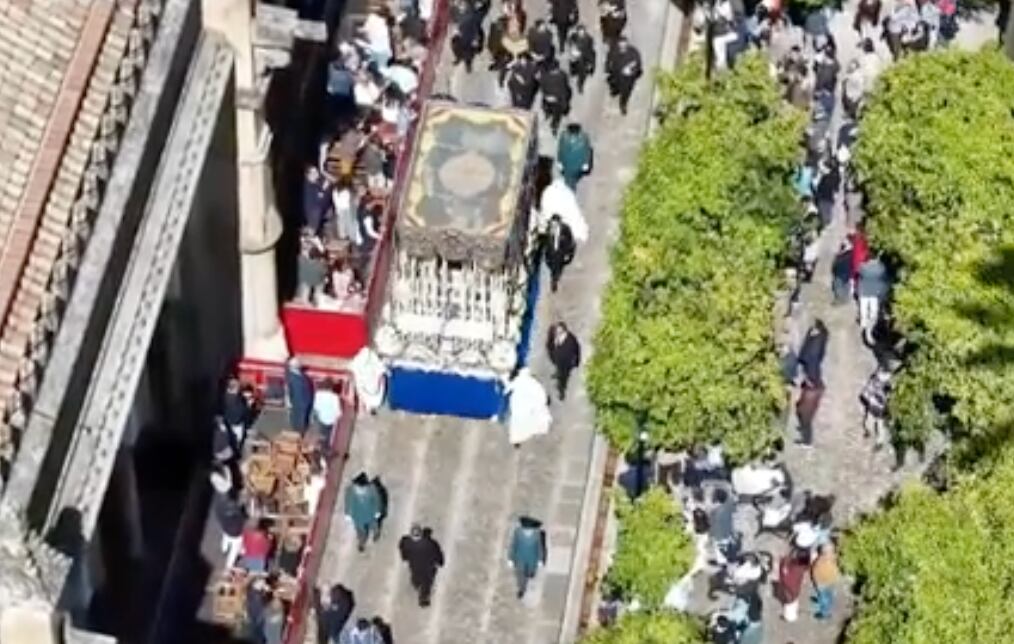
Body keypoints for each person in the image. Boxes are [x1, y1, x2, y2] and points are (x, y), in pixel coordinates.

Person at [504, 367, 552, 448]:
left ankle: (517, 439)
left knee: (518, 421)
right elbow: (538, 391)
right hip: (529, 405)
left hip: (520, 405)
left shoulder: (519, 383)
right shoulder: (529, 381)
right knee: (531, 419)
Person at [398, 525, 445, 607]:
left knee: (417, 581)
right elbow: (439, 555)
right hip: (427, 569)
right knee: (426, 582)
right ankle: (423, 595)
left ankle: (421, 591)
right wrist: (440, 562)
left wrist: (405, 556)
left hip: (415, 569)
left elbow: (404, 554)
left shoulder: (407, 542)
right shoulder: (431, 543)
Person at [507, 516, 547, 598]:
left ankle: (530, 574)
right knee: (520, 575)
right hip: (520, 557)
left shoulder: (537, 534)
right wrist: (510, 558)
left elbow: (539, 547)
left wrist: (540, 559)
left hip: (532, 558)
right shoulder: (517, 532)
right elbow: (513, 545)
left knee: (530, 572)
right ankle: (521, 589)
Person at [345, 472, 384, 552]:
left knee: (373, 525)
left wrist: (377, 510)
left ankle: (375, 534)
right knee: (360, 531)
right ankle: (361, 542)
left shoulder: (371, 489)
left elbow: (377, 500)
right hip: (359, 515)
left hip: (369, 513)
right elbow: (348, 501)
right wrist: (347, 513)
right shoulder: (351, 490)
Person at [605, 36, 642, 115]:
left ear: (627, 44)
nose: (622, 46)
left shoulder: (633, 52)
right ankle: (615, 90)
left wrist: (632, 71)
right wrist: (608, 68)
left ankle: (623, 105)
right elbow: (609, 59)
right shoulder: (614, 51)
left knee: (625, 92)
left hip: (628, 78)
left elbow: (638, 63)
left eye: (624, 44)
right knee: (615, 85)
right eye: (621, 44)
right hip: (616, 75)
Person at [546, 322, 581, 401]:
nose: (557, 333)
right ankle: (558, 373)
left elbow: (577, 349)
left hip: (566, 364)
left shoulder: (571, 339)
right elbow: (550, 345)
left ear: (564, 331)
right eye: (557, 331)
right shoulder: (554, 336)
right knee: (558, 370)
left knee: (563, 378)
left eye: (560, 331)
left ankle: (562, 391)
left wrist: (577, 361)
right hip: (557, 360)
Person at [857, 255, 888, 343]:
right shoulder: (881, 268)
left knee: (863, 309)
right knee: (873, 311)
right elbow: (884, 279)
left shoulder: (863, 267)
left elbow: (858, 271)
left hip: (863, 291)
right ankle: (870, 325)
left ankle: (863, 324)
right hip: (875, 292)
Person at [543, 215, 576, 293]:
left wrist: (569, 255)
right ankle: (554, 280)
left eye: (555, 223)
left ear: (559, 222)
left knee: (558, 269)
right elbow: (546, 242)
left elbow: (571, 241)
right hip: (552, 253)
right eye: (552, 223)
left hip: (561, 253)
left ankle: (555, 280)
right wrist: (546, 256)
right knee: (553, 269)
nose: (553, 224)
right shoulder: (549, 229)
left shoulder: (565, 228)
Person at [860, 368, 892, 448]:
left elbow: (888, 395)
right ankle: (870, 432)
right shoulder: (877, 378)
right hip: (875, 404)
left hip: (879, 406)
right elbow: (869, 387)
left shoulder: (884, 381)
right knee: (872, 421)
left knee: (878, 423)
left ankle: (879, 441)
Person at [350, 345, 387, 414]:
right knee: (364, 367)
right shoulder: (367, 401)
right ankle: (368, 352)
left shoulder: (378, 402)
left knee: (371, 367)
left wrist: (382, 379)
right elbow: (361, 390)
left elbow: (382, 390)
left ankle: (370, 352)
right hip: (367, 380)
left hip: (373, 381)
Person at [539, 58, 572, 135]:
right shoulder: (562, 75)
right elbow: (564, 90)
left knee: (548, 106)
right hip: (558, 100)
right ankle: (554, 126)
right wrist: (565, 104)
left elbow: (542, 86)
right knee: (557, 114)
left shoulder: (545, 75)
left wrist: (546, 95)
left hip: (547, 98)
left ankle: (547, 113)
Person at [776, 547, 809, 622]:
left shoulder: (794, 567)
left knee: (789, 604)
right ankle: (794, 611)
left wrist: (783, 561)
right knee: (794, 600)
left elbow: (785, 576)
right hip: (795, 588)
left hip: (789, 589)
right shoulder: (803, 566)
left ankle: (789, 617)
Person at [556, 123, 592, 190]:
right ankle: (569, 189)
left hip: (576, 163)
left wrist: (586, 162)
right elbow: (560, 150)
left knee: (572, 178)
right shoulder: (564, 136)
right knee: (571, 179)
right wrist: (559, 161)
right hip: (568, 163)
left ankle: (569, 189)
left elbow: (587, 150)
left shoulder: (583, 137)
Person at [451, 0, 483, 72]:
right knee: (460, 48)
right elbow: (453, 18)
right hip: (462, 32)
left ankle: (467, 62)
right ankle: (460, 59)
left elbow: (476, 23)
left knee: (469, 51)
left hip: (469, 31)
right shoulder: (455, 9)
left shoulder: (470, 9)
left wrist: (476, 37)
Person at [285, 357, 314, 433]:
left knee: (302, 424)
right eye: (297, 363)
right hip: (299, 405)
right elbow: (289, 392)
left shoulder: (300, 375)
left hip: (304, 404)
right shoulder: (291, 377)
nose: (299, 364)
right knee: (299, 426)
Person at [811, 542, 839, 619]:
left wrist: (816, 581)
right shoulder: (833, 558)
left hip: (823, 583)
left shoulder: (821, 562)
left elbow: (816, 573)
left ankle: (825, 613)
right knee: (828, 594)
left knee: (825, 597)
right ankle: (820, 600)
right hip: (831, 582)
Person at [798, 320, 829, 387]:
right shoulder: (821, 336)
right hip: (812, 360)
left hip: (811, 360)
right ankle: (813, 383)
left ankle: (812, 384)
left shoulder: (818, 338)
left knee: (811, 372)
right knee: (812, 372)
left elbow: (808, 348)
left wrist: (809, 334)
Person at [565, 24, 595, 93]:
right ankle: (573, 72)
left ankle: (580, 85)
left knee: (582, 74)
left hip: (584, 59)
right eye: (579, 31)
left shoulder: (589, 38)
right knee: (573, 67)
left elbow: (590, 50)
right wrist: (573, 48)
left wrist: (591, 63)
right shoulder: (574, 36)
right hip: (575, 57)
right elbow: (569, 41)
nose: (581, 33)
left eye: (582, 31)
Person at [313, 378, 342, 446]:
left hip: (322, 418)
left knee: (322, 433)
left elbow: (316, 407)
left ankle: (320, 444)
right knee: (329, 435)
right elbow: (338, 412)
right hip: (331, 420)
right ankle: (326, 446)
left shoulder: (318, 394)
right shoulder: (335, 397)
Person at [796, 379, 824, 447]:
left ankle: (807, 441)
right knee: (801, 411)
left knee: (805, 415)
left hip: (813, 388)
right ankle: (806, 437)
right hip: (813, 387)